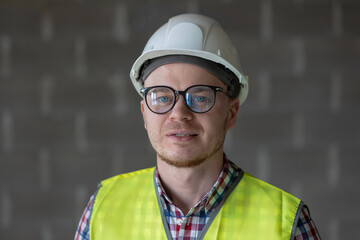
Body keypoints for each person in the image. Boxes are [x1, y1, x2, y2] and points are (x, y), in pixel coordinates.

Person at [75, 13, 320, 240]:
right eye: (162, 97)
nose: (179, 114)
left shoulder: (285, 223)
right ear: (144, 114)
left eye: (200, 97)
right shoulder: (103, 209)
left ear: (231, 113)